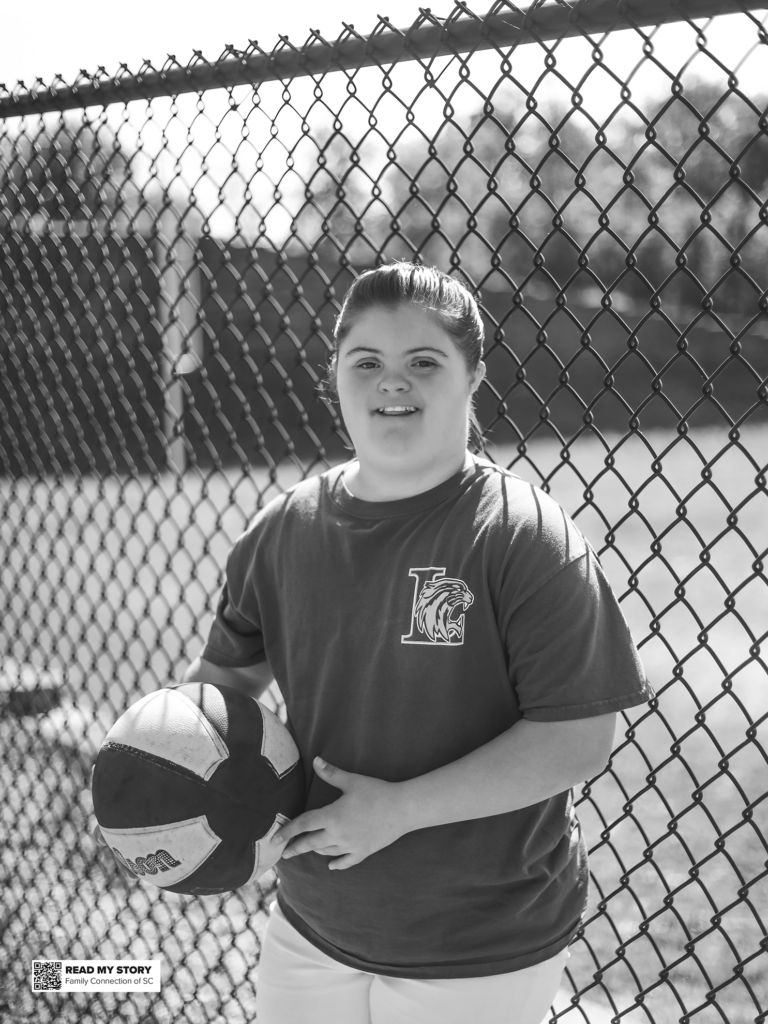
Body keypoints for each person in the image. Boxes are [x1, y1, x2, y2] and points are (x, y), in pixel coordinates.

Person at [181, 263, 653, 1023]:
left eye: (423, 361)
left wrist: (397, 811)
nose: (390, 382)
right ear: (334, 376)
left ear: (473, 377)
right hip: (312, 916)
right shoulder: (280, 531)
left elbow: (578, 739)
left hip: (479, 942)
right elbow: (218, 690)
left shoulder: (522, 535)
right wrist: (160, 769)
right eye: (364, 361)